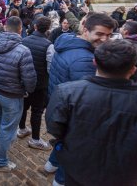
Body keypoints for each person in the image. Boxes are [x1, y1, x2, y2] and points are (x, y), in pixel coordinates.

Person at [46, 40, 137, 186]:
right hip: (123, 175)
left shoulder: (68, 92)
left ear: (94, 62)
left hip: (78, 165)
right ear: (133, 69)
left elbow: (54, 127)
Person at [46, 13, 116, 186]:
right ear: (85, 29)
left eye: (109, 35)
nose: (104, 39)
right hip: (74, 112)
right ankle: (60, 181)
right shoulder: (85, 59)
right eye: (100, 34)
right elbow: (86, 96)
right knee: (72, 151)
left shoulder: (67, 40)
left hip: (58, 101)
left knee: (63, 140)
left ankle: (51, 164)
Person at [0, 16, 37, 172]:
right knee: (7, 128)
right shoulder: (23, 51)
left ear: (5, 27)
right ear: (20, 29)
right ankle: (0, 162)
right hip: (12, 96)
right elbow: (30, 79)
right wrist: (27, 90)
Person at [17, 17, 53, 150]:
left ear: (36, 26)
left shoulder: (24, 40)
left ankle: (21, 129)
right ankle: (35, 139)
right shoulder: (49, 45)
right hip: (40, 85)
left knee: (23, 107)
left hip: (25, 82)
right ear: (48, 29)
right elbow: (50, 68)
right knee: (37, 112)